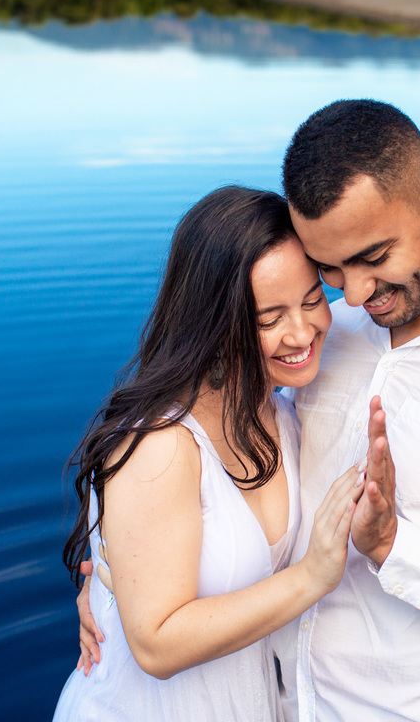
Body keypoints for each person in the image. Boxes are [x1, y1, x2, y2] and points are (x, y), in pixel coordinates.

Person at [80, 101, 420, 721]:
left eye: (374, 257)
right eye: (329, 268)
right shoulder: (331, 338)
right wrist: (116, 582)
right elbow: (206, 476)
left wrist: (393, 548)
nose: (353, 294)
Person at [53, 186, 365, 721]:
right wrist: (312, 575)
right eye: (268, 318)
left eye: (313, 300)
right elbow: (155, 644)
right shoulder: (160, 444)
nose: (302, 331)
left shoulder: (281, 410)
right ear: (214, 323)